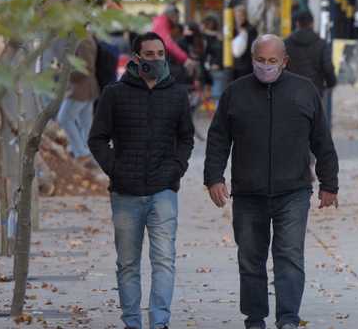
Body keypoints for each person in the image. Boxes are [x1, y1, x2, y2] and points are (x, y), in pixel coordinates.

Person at [204, 34, 339, 329]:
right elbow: (218, 138)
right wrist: (214, 177)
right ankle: (254, 319)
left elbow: (322, 140)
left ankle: (288, 318)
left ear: (285, 61)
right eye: (260, 61)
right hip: (248, 193)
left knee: (289, 257)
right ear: (252, 60)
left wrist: (330, 183)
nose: (266, 66)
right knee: (251, 259)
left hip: (293, 191)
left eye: (272, 61)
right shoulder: (235, 92)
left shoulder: (304, 91)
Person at [88, 32, 194, 329]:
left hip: (163, 191)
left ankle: (159, 323)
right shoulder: (114, 94)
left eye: (160, 53)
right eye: (149, 54)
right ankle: (132, 322)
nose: (157, 59)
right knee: (128, 265)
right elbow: (97, 139)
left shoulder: (176, 94)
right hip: (125, 194)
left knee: (164, 261)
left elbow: (186, 137)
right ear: (136, 58)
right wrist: (115, 169)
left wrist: (176, 168)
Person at [58, 36, 98, 165]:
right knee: (85, 122)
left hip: (81, 89)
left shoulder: (83, 39)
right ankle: (89, 153)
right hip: (85, 88)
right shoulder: (82, 38)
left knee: (64, 118)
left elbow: (87, 67)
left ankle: (82, 153)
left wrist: (64, 73)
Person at [284, 11, 337, 96]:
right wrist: (331, 84)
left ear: (297, 24)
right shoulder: (321, 44)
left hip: (291, 91)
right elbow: (328, 68)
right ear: (312, 23)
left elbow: (281, 67)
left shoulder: (286, 43)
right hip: (314, 91)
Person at [231, 5, 259, 80]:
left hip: (245, 64)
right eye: (237, 16)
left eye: (241, 16)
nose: (239, 18)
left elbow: (252, 46)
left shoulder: (250, 29)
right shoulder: (232, 28)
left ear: (245, 16)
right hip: (233, 65)